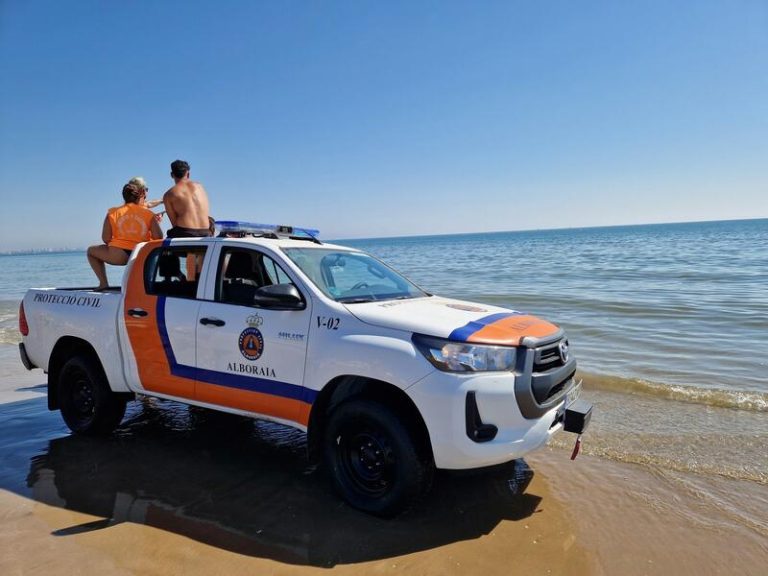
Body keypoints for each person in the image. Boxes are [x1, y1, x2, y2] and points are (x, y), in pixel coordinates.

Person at [87, 182, 163, 290]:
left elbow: (106, 238)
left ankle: (103, 283)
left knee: (91, 251)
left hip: (118, 255)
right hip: (140, 255)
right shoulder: (148, 214)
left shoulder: (112, 212)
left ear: (123, 196)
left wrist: (116, 244)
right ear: (139, 196)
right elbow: (158, 237)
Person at [163, 160, 212, 238]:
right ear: (188, 174)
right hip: (206, 232)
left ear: (172, 175)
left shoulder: (168, 195)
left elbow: (174, 224)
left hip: (184, 232)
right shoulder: (200, 187)